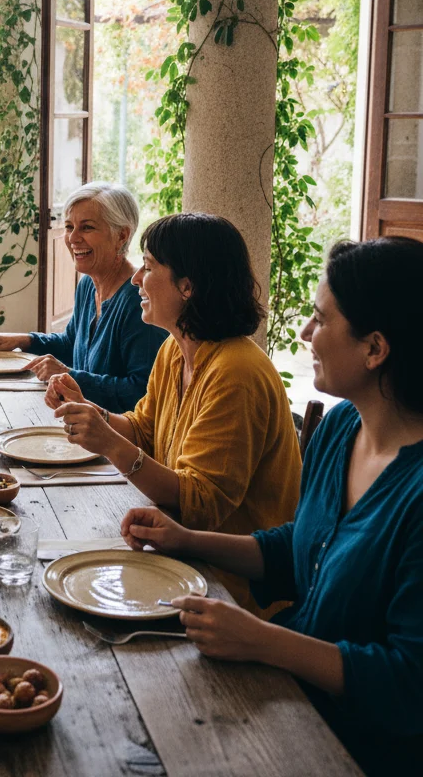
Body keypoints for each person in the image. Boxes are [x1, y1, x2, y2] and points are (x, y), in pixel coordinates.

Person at [118, 238, 423, 776]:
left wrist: (264, 640)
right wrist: (183, 538)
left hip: (351, 742)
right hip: (283, 684)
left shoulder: (415, 494)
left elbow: (407, 682)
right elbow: (298, 548)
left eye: (319, 319)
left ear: (375, 349)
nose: (304, 334)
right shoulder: (343, 429)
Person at [51, 213, 301, 609]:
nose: (136, 280)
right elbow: (144, 429)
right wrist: (91, 413)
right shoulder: (175, 347)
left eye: (148, 268)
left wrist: (110, 444)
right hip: (177, 558)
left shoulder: (236, 372)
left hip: (229, 590)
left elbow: (199, 506)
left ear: (187, 286)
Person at [0, 182, 166, 411]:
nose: (73, 239)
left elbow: (142, 393)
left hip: (113, 436)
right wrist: (23, 340)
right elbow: (72, 343)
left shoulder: (138, 299)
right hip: (79, 420)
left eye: (87, 228)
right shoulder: (87, 286)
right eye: (70, 227)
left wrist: (70, 377)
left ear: (121, 235)